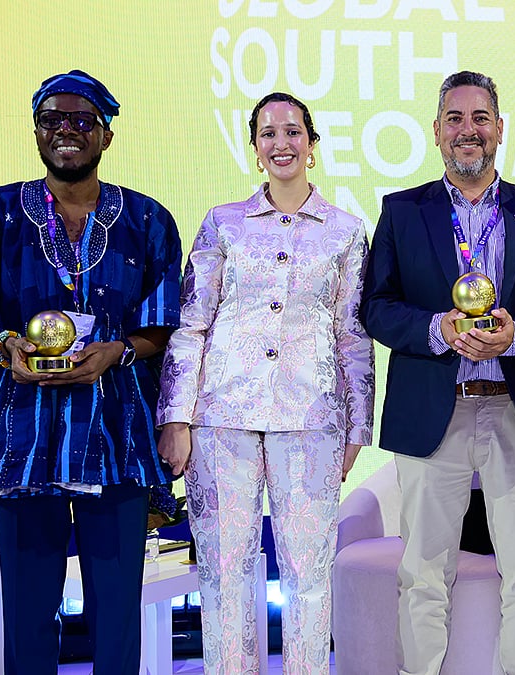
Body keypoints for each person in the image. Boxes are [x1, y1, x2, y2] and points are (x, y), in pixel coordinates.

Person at [0, 70, 182, 674]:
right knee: (28, 612)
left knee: (117, 614)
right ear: (36, 133)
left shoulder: (148, 220)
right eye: (52, 119)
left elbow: (170, 325)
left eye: (82, 120)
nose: (66, 131)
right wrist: (4, 345)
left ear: (106, 136)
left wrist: (118, 352)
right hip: (21, 441)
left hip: (117, 441)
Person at [360, 70, 515, 675]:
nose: (469, 131)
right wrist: (438, 329)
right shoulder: (402, 211)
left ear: (500, 130)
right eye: (455, 119)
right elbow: (376, 307)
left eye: (480, 118)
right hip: (436, 410)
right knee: (423, 572)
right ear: (436, 132)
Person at [155, 92, 373, 675]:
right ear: (255, 149)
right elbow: (191, 324)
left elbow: (353, 334)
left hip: (312, 420)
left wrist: (358, 425)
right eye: (268, 133)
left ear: (312, 143)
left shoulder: (347, 232)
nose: (282, 143)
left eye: (293, 131)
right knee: (224, 572)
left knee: (308, 574)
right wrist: (175, 418)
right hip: (220, 417)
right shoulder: (223, 223)